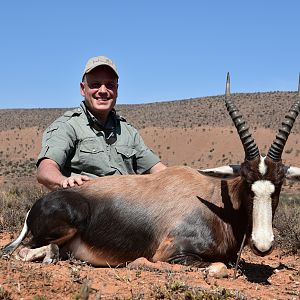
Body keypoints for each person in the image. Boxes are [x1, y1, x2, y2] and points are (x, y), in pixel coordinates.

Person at [37, 55, 166, 190]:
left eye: (109, 85)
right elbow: (45, 169)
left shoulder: (128, 132)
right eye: (96, 85)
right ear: (83, 89)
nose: (103, 91)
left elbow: (158, 170)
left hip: (123, 206)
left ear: (116, 90)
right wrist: (63, 181)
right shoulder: (67, 126)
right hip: (82, 205)